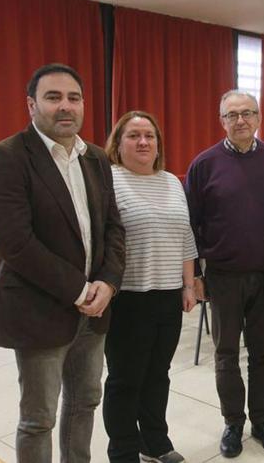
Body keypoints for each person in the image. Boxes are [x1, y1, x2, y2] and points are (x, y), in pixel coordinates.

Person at [0, 63, 125, 462]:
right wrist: (79, 289)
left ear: (83, 105)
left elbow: (113, 226)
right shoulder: (7, 156)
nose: (65, 107)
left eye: (73, 98)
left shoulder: (95, 157)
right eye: (53, 97)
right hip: (40, 309)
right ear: (31, 105)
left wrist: (108, 284)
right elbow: (15, 243)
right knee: (39, 418)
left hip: (94, 310)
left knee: (85, 402)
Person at [184, 90, 264, 458]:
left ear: (259, 118)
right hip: (223, 277)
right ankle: (233, 422)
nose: (241, 120)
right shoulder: (204, 164)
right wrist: (195, 274)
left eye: (248, 113)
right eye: (233, 115)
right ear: (222, 121)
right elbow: (190, 224)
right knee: (227, 353)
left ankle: (262, 421)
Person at [101, 111, 197, 463]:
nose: (143, 142)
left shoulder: (171, 181)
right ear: (118, 142)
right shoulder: (108, 179)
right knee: (125, 380)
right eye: (134, 135)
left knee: (158, 375)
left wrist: (188, 286)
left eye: (150, 136)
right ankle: (123, 451)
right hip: (127, 298)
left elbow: (185, 236)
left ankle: (155, 442)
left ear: (158, 144)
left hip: (168, 296)